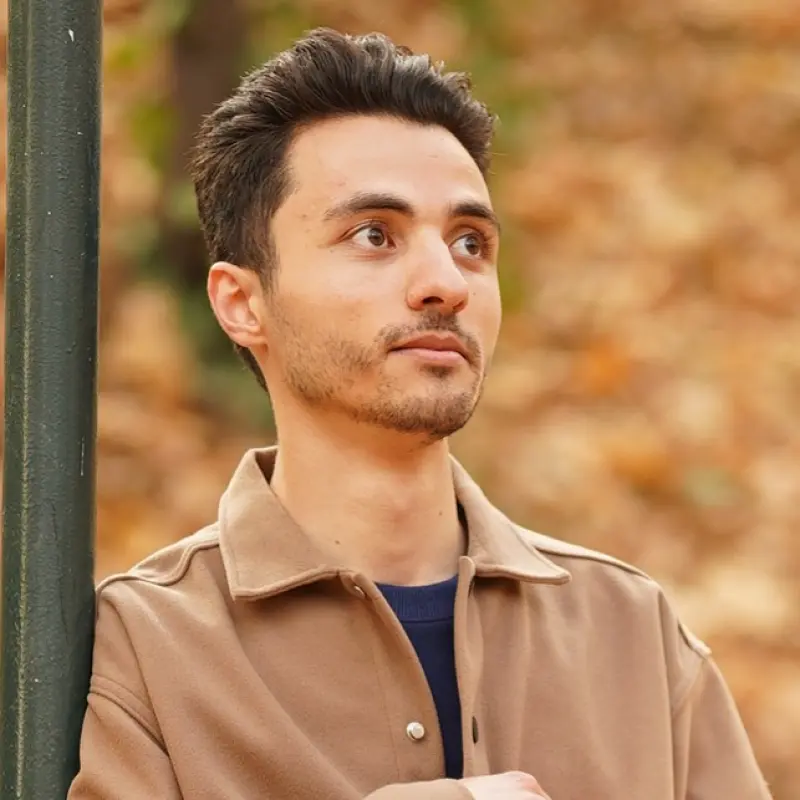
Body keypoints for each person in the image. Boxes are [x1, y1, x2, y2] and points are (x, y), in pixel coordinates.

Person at [68, 28, 771, 800]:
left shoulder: (633, 633)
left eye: (470, 243)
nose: (447, 283)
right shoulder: (147, 649)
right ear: (243, 302)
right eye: (375, 235)